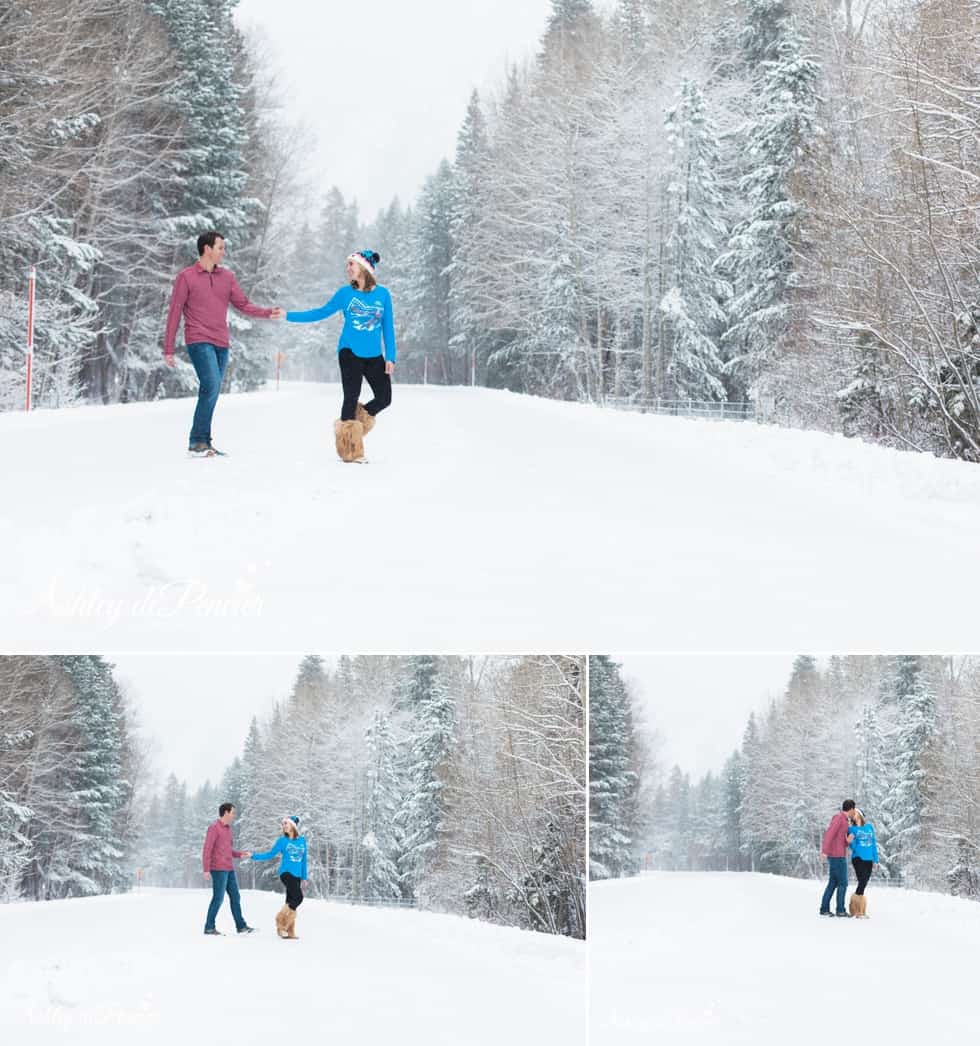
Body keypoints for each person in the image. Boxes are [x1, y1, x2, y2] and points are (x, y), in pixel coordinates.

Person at [164, 230, 285, 457]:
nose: (223, 252)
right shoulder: (186, 277)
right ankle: (197, 442)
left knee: (213, 389)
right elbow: (174, 313)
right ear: (207, 249)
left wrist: (268, 313)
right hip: (198, 338)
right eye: (220, 247)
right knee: (210, 385)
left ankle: (203, 441)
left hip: (221, 341)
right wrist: (168, 348)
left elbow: (243, 305)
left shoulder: (227, 277)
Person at [284, 249, 396, 463]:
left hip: (374, 355)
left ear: (363, 268)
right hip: (349, 352)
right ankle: (351, 451)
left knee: (385, 398)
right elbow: (319, 312)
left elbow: (388, 327)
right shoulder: (345, 294)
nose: (348, 269)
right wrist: (288, 315)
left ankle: (349, 429)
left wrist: (390, 356)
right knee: (350, 397)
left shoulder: (383, 295)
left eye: (351, 265)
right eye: (347, 265)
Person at [249, 815, 308, 939]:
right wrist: (253, 855)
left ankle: (289, 931)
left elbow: (303, 860)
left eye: (286, 823)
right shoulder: (282, 841)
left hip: (297, 874)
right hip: (286, 873)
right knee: (299, 897)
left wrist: (304, 877)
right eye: (283, 824)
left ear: (293, 826)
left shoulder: (302, 841)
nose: (284, 826)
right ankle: (280, 921)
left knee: (291, 900)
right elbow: (269, 854)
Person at [202, 802, 255, 935]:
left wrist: (240, 854)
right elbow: (207, 849)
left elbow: (228, 851)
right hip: (218, 869)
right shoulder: (214, 828)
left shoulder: (227, 829)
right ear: (226, 812)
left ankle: (241, 926)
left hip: (229, 868)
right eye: (233, 812)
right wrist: (206, 869)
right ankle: (209, 927)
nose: (234, 815)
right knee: (218, 898)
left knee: (235, 897)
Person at [819, 798, 855, 917]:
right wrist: (824, 851)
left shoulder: (844, 820)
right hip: (837, 856)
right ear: (850, 809)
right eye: (854, 810)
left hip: (837, 855)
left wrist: (848, 841)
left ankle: (824, 909)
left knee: (833, 883)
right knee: (843, 883)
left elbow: (839, 840)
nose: (854, 813)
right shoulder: (839, 818)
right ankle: (840, 910)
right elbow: (830, 834)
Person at [847, 808, 878, 918]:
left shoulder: (869, 827)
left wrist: (876, 860)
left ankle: (855, 907)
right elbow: (853, 846)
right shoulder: (851, 829)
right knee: (862, 881)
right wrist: (851, 841)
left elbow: (873, 844)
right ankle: (859, 911)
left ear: (860, 815)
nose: (853, 815)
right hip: (858, 858)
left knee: (864, 883)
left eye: (855, 813)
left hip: (869, 859)